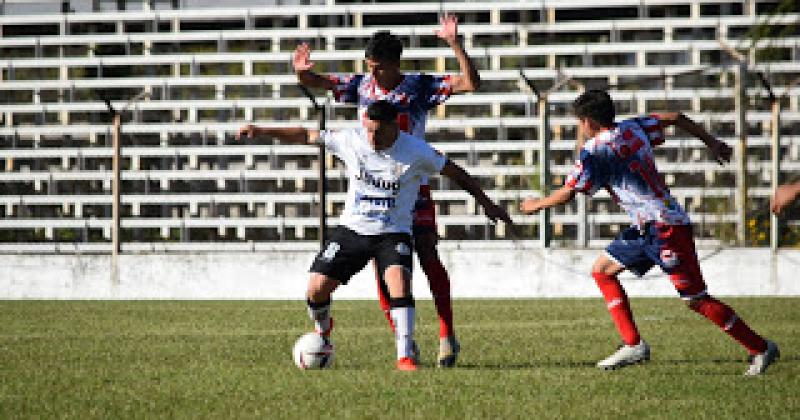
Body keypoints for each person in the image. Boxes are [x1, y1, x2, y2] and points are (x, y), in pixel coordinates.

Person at [237, 100, 512, 371]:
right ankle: (323, 328)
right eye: (368, 129)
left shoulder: (416, 151)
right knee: (315, 289)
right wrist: (261, 130)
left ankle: (405, 356)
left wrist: (486, 203)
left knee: (399, 283)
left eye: (378, 131)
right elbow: (307, 134)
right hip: (352, 230)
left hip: (393, 233)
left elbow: (456, 172)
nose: (372, 137)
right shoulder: (352, 140)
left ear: (394, 127)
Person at [520, 90, 779, 375]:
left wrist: (536, 205)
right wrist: (712, 142)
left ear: (587, 122)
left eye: (580, 122)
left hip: (666, 228)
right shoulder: (632, 127)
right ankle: (633, 345)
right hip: (646, 227)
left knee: (696, 299)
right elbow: (676, 117)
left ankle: (760, 348)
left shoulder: (595, 152)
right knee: (602, 271)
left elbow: (570, 192)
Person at [292, 15, 480, 367]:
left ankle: (446, 334)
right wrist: (300, 70)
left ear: (395, 65)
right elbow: (315, 81)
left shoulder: (419, 86)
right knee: (386, 265)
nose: (372, 73)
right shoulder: (361, 85)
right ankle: (403, 341)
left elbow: (470, 83)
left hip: (412, 184)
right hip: (375, 189)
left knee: (427, 254)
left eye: (378, 67)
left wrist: (455, 44)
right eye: (369, 66)